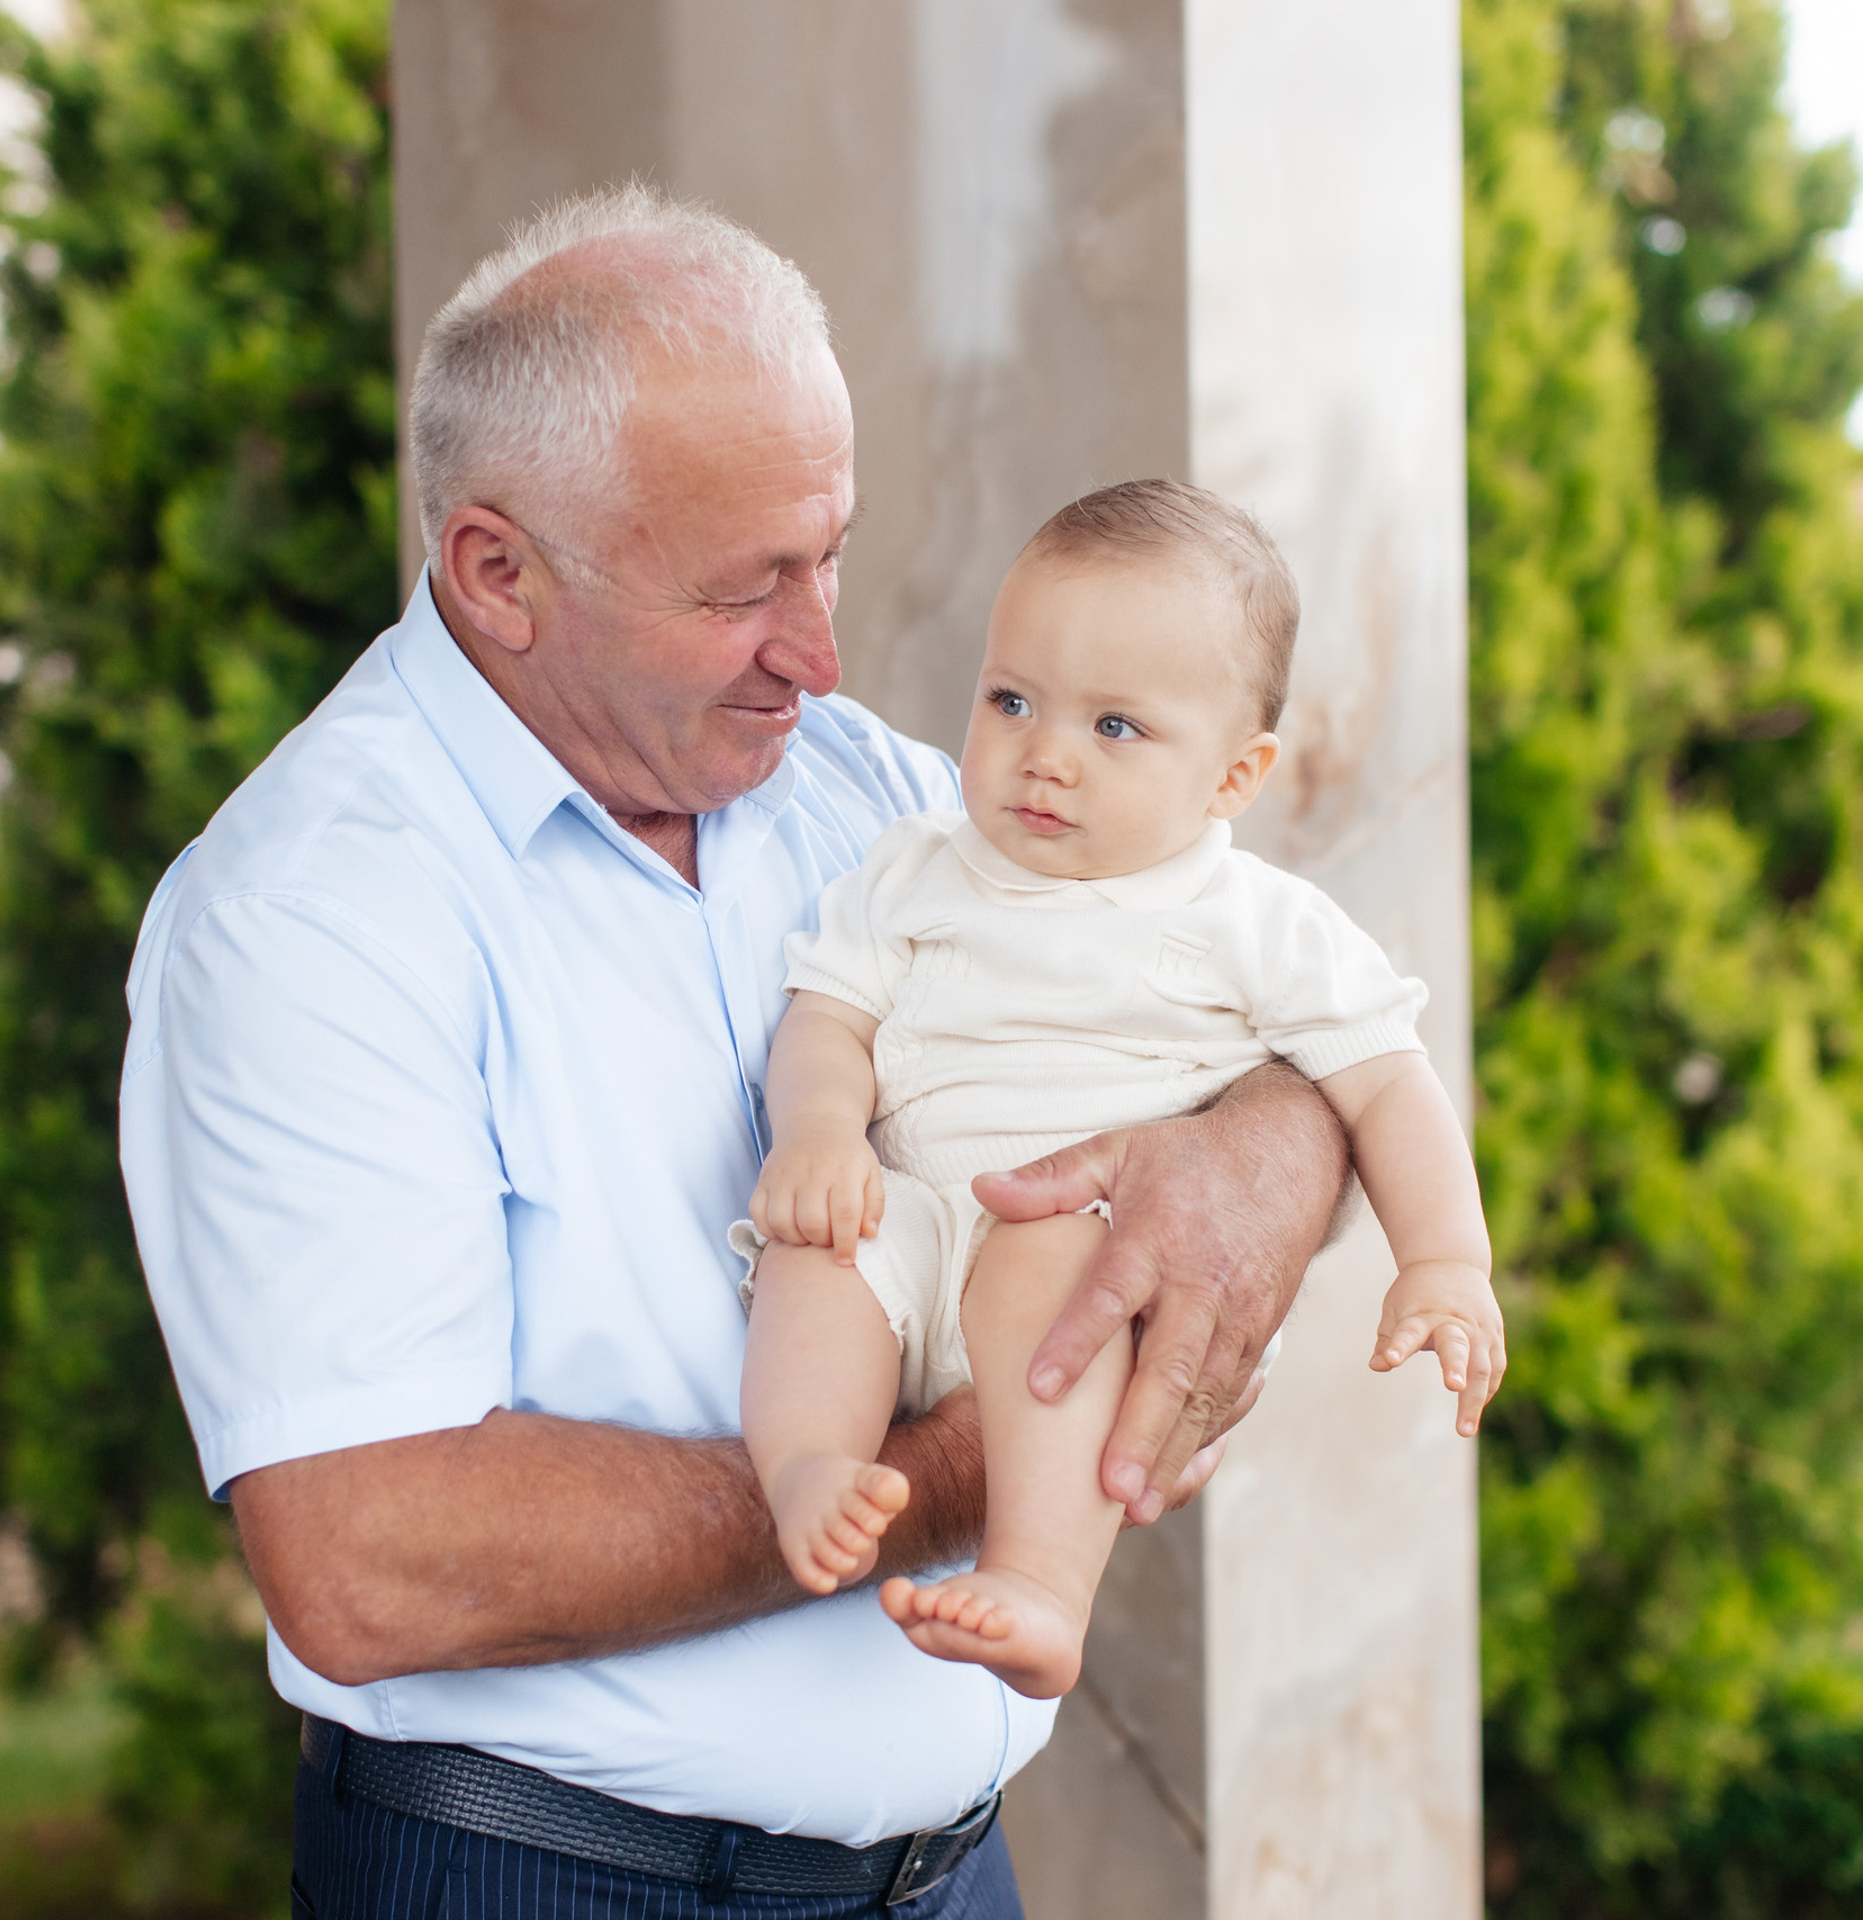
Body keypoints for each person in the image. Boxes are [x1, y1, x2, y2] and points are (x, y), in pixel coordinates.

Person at [119, 187, 1351, 1918]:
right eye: (742, 589)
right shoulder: (304, 919)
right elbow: (372, 1562)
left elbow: (1242, 1004)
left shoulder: (873, 790)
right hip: (542, 1885)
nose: (823, 651)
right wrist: (972, 1469)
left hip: (949, 1880)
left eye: (829, 550)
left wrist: (1260, 1167)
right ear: (497, 573)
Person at [735, 480, 1505, 1702]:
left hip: (1074, 1263)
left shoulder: (1254, 921)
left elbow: (1389, 1090)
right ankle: (809, 1471)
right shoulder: (915, 866)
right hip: (920, 1228)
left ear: (1234, 778)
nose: (1045, 755)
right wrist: (821, 1131)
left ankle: (1041, 1582)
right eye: (1013, 701)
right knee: (817, 1245)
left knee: (1055, 1265)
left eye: (1116, 730)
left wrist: (1448, 1261)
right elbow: (829, 1014)